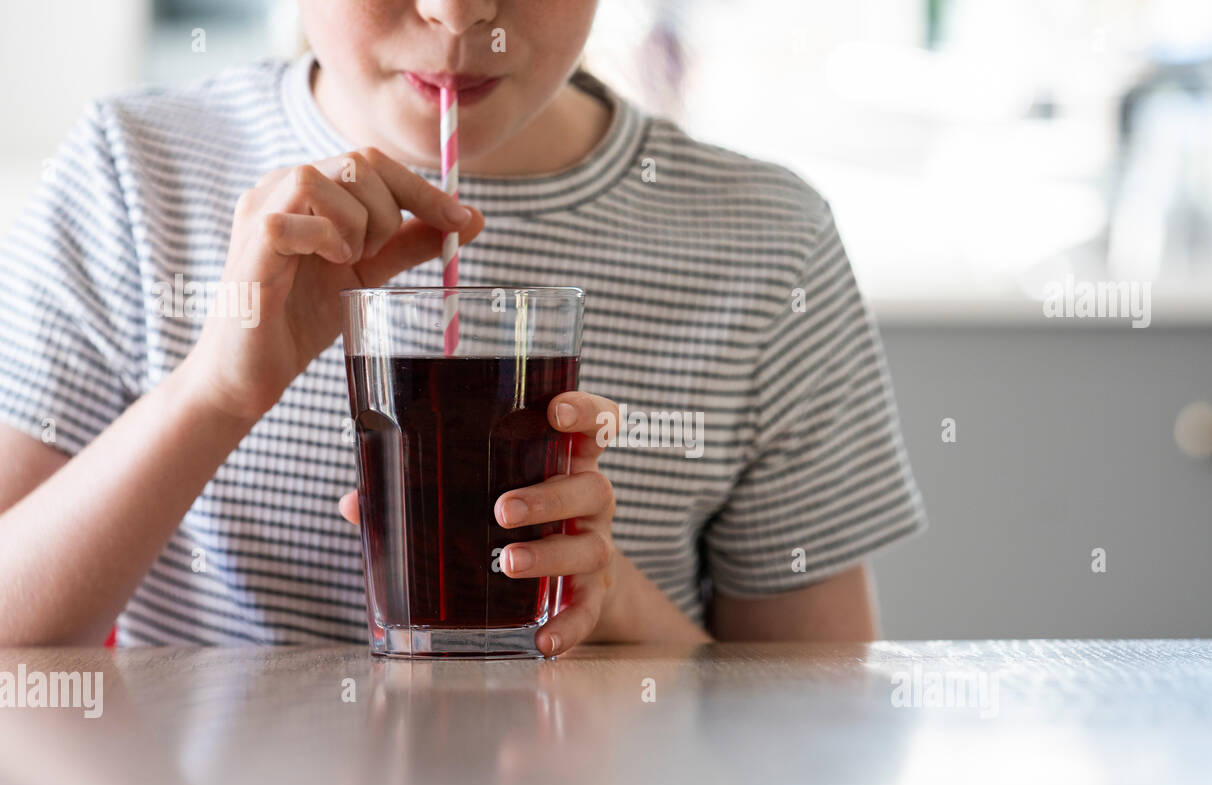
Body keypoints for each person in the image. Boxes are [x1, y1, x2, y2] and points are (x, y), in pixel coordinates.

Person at [0, 0, 925, 653]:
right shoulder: (133, 174)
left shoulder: (766, 242)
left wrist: (617, 615)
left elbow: (820, 721)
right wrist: (215, 391)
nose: (457, 13)